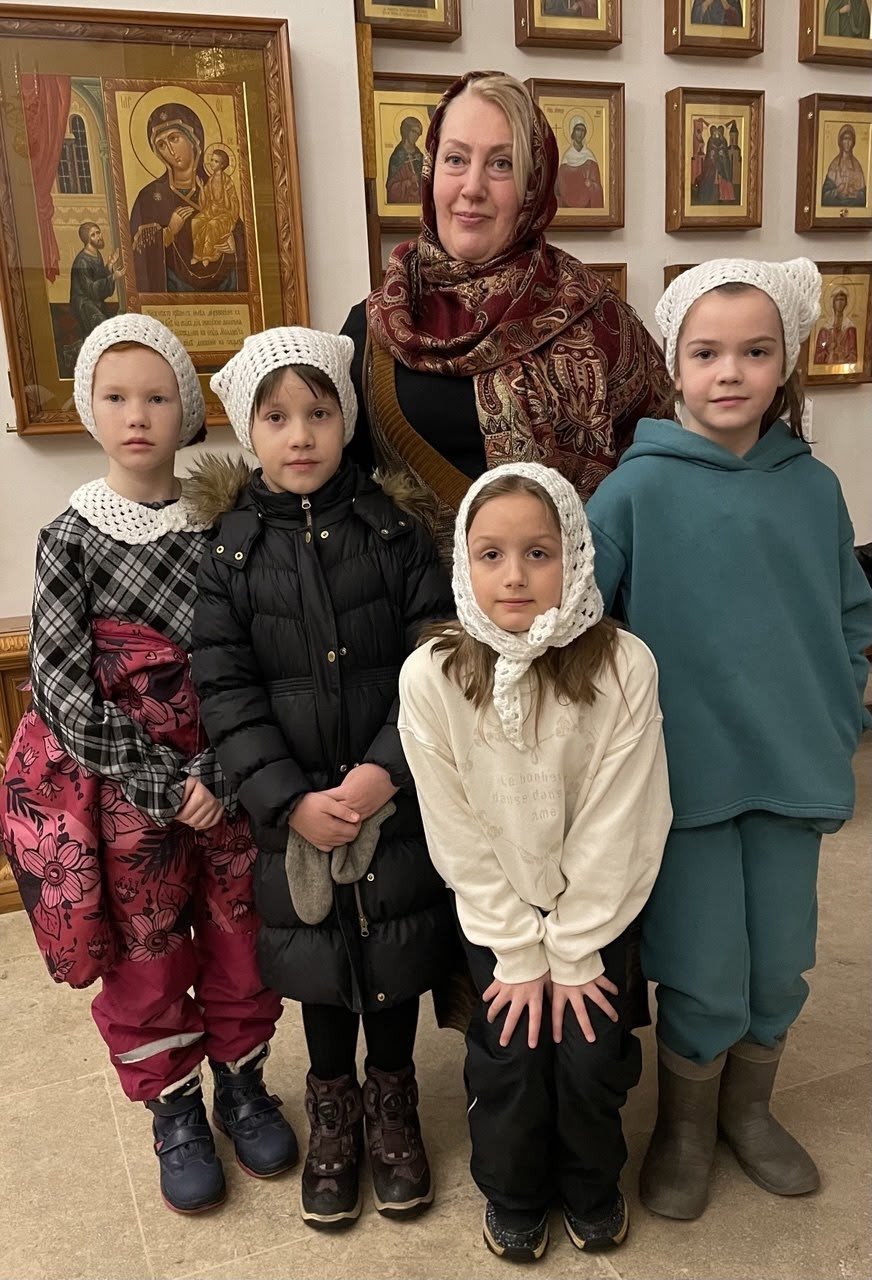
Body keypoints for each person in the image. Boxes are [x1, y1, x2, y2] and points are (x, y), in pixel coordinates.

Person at [585, 258, 872, 1222]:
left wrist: (841, 711)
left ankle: (749, 1111)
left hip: (791, 765)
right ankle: (685, 1126)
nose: (731, 372)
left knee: (780, 958)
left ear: (785, 363)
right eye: (707, 353)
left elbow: (850, 612)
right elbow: (582, 625)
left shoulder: (814, 488)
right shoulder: (634, 492)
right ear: (674, 364)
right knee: (703, 963)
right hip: (687, 780)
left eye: (755, 352)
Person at [0, 314, 296, 1215]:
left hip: (230, 774)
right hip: (129, 795)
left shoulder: (227, 519)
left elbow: (258, 649)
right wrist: (165, 782)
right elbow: (60, 685)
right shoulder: (69, 537)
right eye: (118, 397)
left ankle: (243, 1082)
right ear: (89, 408)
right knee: (148, 950)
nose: (138, 415)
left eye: (158, 397)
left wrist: (223, 769)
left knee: (242, 932)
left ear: (187, 411)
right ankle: (173, 1104)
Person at [190, 327, 457, 1231]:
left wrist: (386, 771)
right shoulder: (228, 555)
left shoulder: (395, 532)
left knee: (394, 946)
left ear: (347, 422)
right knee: (317, 954)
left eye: (319, 412)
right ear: (249, 430)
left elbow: (435, 661)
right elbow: (225, 693)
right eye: (277, 418)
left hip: (391, 797)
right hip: (294, 812)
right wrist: (288, 801)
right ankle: (334, 1102)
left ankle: (393, 1097)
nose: (300, 434)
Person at [398, 463, 672, 1261]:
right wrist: (519, 951)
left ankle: (591, 1185)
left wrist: (576, 947)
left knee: (591, 1054)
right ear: (464, 563)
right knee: (510, 1058)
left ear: (574, 558)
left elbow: (624, 820)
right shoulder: (432, 675)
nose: (514, 575)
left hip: (598, 906)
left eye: (538, 553)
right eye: (490, 555)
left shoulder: (624, 665)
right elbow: (455, 830)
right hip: (497, 911)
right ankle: (514, 1194)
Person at [342, 71, 673, 562]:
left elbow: (661, 476)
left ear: (532, 184)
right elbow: (336, 500)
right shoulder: (376, 327)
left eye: (501, 164)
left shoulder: (597, 316)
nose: (472, 187)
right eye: (456, 159)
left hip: (577, 601)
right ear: (431, 170)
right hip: (417, 606)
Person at [130, 102, 247, 293]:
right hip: (172, 294)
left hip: (224, 291)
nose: (170, 150)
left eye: (174, 138)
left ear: (194, 139)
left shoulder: (215, 188)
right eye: (161, 145)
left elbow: (240, 233)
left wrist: (234, 244)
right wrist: (168, 233)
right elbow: (136, 257)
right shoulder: (149, 197)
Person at [69, 222, 124, 338]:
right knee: (105, 331)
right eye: (93, 235)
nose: (98, 236)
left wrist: (110, 265)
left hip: (95, 301)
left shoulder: (96, 254)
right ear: (87, 239)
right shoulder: (82, 262)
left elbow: (99, 278)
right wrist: (113, 277)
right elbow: (91, 289)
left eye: (98, 232)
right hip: (84, 304)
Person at [191, 145, 240, 266]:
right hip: (211, 211)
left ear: (222, 165)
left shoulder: (227, 181)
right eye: (212, 160)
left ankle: (207, 255)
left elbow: (232, 204)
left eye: (216, 161)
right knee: (195, 221)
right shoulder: (211, 180)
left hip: (225, 215)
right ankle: (197, 255)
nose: (212, 163)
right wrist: (201, 188)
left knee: (212, 225)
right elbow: (204, 203)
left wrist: (226, 193)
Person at [555, 118, 604, 209]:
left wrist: (591, 185)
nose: (580, 133)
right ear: (572, 132)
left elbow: (598, 188)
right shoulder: (566, 158)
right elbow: (559, 188)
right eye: (578, 129)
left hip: (587, 206)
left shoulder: (590, 158)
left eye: (583, 130)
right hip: (568, 207)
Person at [821, 124, 867, 207]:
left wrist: (855, 193)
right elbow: (824, 197)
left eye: (850, 139)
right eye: (845, 139)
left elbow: (865, 198)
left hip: (853, 208)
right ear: (840, 141)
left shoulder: (857, 166)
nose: (847, 143)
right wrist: (837, 191)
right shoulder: (834, 165)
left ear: (853, 142)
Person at [813, 288, 859, 366]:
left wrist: (843, 359)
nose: (840, 303)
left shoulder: (850, 328)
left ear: (846, 303)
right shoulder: (825, 329)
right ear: (833, 303)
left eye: (842, 300)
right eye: (837, 300)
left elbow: (853, 354)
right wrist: (828, 351)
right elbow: (818, 355)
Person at [386, 116, 425, 205]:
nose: (416, 136)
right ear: (406, 131)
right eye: (413, 132)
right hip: (402, 205)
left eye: (418, 134)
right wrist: (409, 182)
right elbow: (391, 188)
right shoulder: (397, 157)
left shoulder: (419, 156)